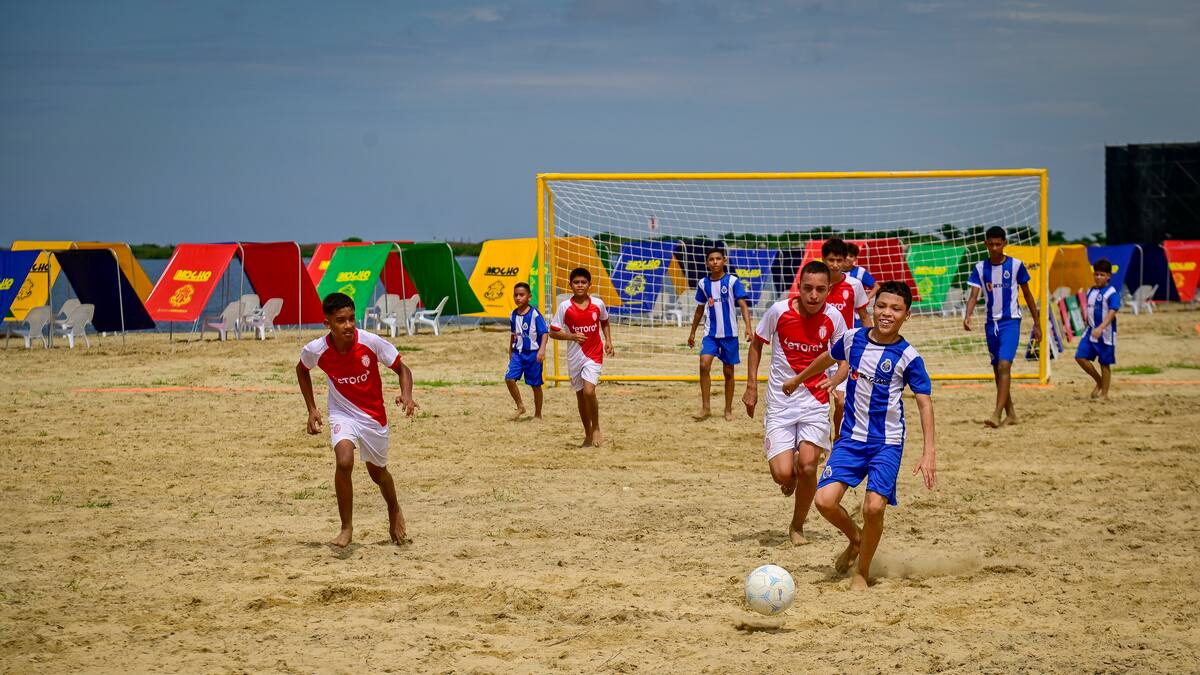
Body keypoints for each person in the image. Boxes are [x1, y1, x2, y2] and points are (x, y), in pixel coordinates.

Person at [783, 280, 936, 590]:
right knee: (824, 501)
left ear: (907, 315)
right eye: (882, 306)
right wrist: (799, 378)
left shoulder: (909, 356)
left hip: (886, 443)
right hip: (851, 438)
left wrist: (929, 452)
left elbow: (924, 403)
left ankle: (862, 572)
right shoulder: (854, 338)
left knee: (873, 508)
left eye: (896, 309)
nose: (887, 313)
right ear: (873, 307)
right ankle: (856, 539)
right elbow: (828, 357)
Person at [296, 292, 418, 548]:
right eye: (341, 320)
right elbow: (302, 369)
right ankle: (346, 528)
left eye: (352, 318)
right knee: (344, 461)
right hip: (342, 413)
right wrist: (312, 408)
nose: (349, 325)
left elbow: (402, 368)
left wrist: (406, 395)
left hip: (373, 416)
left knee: (378, 473)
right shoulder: (317, 349)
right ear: (327, 323)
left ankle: (394, 508)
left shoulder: (370, 342)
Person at [742, 260, 846, 546]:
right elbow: (756, 344)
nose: (814, 295)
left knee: (809, 467)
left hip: (814, 401)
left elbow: (844, 358)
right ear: (798, 287)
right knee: (782, 475)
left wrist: (837, 383)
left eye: (820, 289)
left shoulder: (835, 317)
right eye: (808, 288)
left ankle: (797, 525)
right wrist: (751, 386)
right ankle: (792, 473)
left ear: (829, 290)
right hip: (780, 403)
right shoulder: (779, 311)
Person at [963, 225, 1041, 427]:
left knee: (1004, 365)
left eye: (998, 244)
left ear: (1005, 243)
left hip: (1011, 321)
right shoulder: (980, 268)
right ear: (986, 244)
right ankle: (1011, 414)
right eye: (991, 244)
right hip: (991, 324)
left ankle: (996, 414)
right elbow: (974, 295)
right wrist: (968, 315)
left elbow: (1028, 295)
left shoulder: (1016, 265)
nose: (995, 248)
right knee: (998, 370)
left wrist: (1037, 323)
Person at [549, 267, 614, 447]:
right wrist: (571, 336)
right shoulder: (565, 307)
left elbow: (605, 321)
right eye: (576, 282)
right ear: (570, 285)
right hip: (574, 357)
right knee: (580, 396)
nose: (580, 285)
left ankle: (596, 427)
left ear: (589, 285)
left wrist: (608, 341)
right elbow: (553, 332)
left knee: (589, 392)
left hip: (594, 354)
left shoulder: (598, 304)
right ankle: (587, 433)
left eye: (583, 282)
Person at [687, 247, 752, 421]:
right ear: (707, 263)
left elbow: (743, 305)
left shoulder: (732, 281)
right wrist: (692, 332)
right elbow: (699, 309)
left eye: (718, 258)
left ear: (724, 261)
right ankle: (706, 408)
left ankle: (728, 410)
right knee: (703, 365)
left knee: (728, 372)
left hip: (730, 334)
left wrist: (748, 327)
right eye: (711, 259)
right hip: (711, 334)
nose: (715, 262)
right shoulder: (703, 284)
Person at [819, 238, 872, 441]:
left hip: (844, 354)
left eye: (839, 260)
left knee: (841, 402)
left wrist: (870, 345)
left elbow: (864, 316)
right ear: (823, 259)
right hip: (818, 352)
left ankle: (838, 439)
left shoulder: (854, 285)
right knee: (820, 404)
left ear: (845, 261)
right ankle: (821, 441)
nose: (835, 265)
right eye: (831, 260)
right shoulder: (816, 285)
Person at [1075, 258, 1120, 400]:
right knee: (1080, 357)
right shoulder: (1090, 290)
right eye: (1096, 274)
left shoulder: (1111, 292)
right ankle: (1099, 381)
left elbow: (1112, 311)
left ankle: (1104, 394)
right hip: (1090, 331)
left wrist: (1101, 327)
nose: (1098, 277)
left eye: (1102, 275)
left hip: (1105, 333)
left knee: (1104, 363)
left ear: (1109, 276)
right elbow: (1089, 308)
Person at [505, 282, 549, 419]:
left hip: (533, 354)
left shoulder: (535, 314)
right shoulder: (513, 314)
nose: (518, 298)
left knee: (535, 385)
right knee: (509, 379)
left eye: (521, 295)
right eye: (516, 295)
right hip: (518, 354)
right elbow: (513, 334)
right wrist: (510, 349)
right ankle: (520, 406)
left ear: (529, 297)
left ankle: (538, 414)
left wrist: (542, 349)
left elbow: (544, 333)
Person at [845, 242, 878, 317]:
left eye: (851, 256)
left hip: (857, 314)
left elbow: (876, 286)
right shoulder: (836, 272)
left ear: (855, 259)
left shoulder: (860, 271)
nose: (847, 258)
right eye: (845, 255)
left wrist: (867, 298)